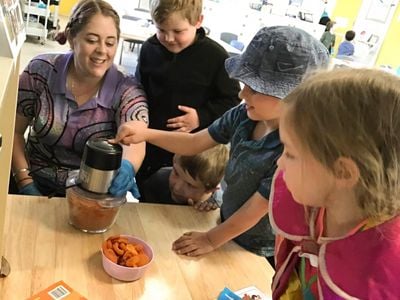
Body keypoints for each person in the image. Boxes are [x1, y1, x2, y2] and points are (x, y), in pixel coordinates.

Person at [110, 26, 329, 267]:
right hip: (226, 224)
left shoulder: (290, 150)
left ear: (292, 96)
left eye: (255, 89)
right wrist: (145, 133)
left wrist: (211, 240)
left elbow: (254, 209)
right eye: (245, 84)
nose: (243, 94)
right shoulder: (244, 115)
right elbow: (194, 142)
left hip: (259, 248)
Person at [270, 68, 400, 299]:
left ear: (342, 172)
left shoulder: (382, 268)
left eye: (290, 153)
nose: (279, 163)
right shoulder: (312, 204)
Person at [11, 0, 148, 197]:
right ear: (72, 39)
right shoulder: (40, 71)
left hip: (91, 193)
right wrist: (24, 182)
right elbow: (14, 131)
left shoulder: (127, 88)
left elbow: (137, 139)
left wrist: (128, 167)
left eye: (110, 42)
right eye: (92, 40)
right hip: (32, 178)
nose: (102, 50)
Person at [135, 0, 241, 188]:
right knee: (147, 191)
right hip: (151, 140)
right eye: (161, 30)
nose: (168, 38)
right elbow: (138, 89)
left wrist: (201, 116)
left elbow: (232, 100)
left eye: (178, 32)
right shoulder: (149, 48)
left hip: (193, 150)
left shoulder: (215, 56)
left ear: (198, 21)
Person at [142, 144, 228, 210]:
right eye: (176, 173)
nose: (177, 188)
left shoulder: (220, 209)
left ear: (210, 189)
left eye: (190, 185)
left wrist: (198, 217)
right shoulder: (158, 180)